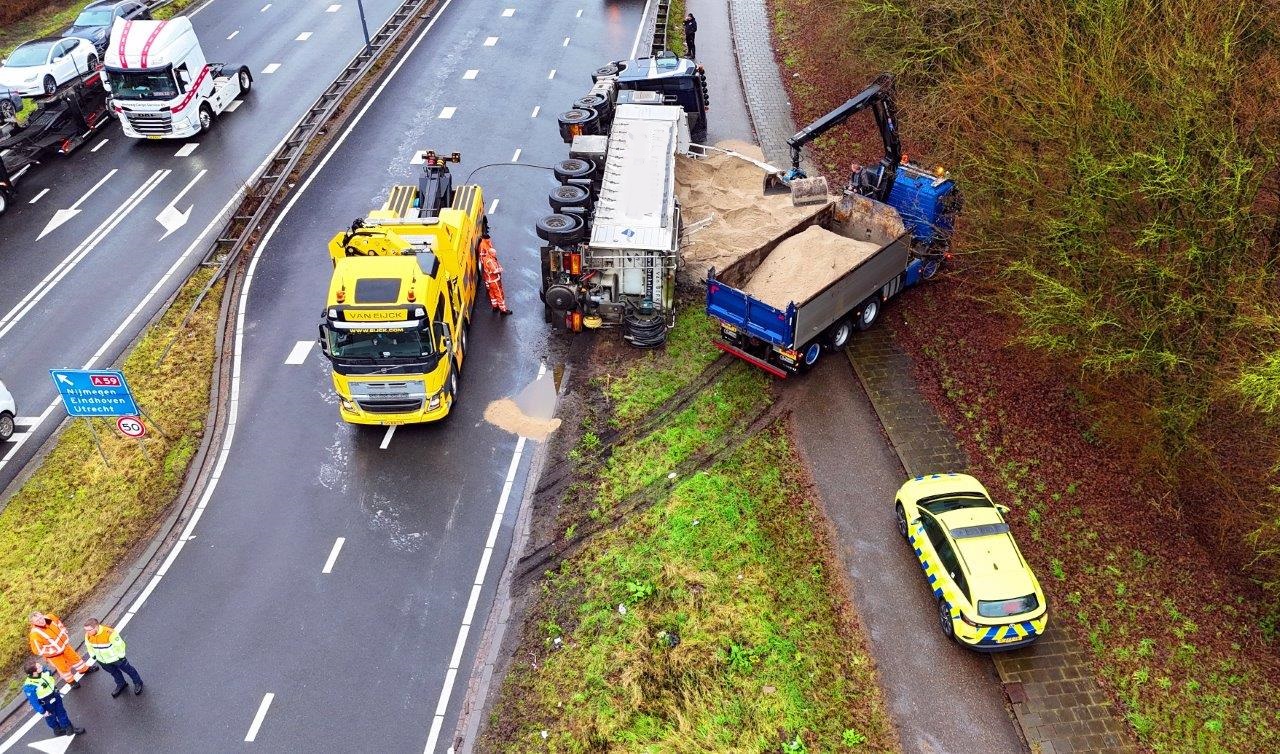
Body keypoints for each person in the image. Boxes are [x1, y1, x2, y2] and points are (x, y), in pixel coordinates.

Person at [29, 612, 96, 687]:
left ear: (42, 615)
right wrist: (53, 650)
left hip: (65, 646)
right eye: (37, 620)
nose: (41, 621)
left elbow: (58, 623)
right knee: (63, 669)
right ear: (33, 623)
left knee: (76, 659)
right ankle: (71, 681)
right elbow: (37, 650)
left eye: (41, 618)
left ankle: (84, 669)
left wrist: (64, 631)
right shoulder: (35, 634)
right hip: (54, 656)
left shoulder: (49, 618)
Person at [22, 661, 85, 737]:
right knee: (50, 717)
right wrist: (42, 711)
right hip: (45, 703)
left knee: (61, 712)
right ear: (34, 672)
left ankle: (69, 728)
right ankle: (57, 730)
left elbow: (50, 678)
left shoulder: (44, 672)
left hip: (54, 696)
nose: (41, 666)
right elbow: (33, 701)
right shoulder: (30, 686)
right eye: (38, 667)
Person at [84, 619, 144, 697]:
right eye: (86, 630)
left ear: (96, 627)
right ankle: (121, 684)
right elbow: (88, 646)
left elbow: (120, 645)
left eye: (89, 630)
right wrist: (93, 655)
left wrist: (121, 657)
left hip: (116, 659)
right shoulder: (88, 635)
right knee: (114, 673)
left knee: (129, 670)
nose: (87, 633)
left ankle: (138, 682)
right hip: (102, 661)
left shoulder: (109, 633)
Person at [478, 235, 512, 315]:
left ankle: (495, 306)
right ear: (491, 253)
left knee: (492, 294)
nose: (495, 255)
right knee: (499, 294)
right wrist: (500, 269)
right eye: (494, 253)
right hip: (495, 281)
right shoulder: (490, 261)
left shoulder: (486, 258)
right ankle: (503, 310)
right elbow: (495, 271)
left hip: (489, 280)